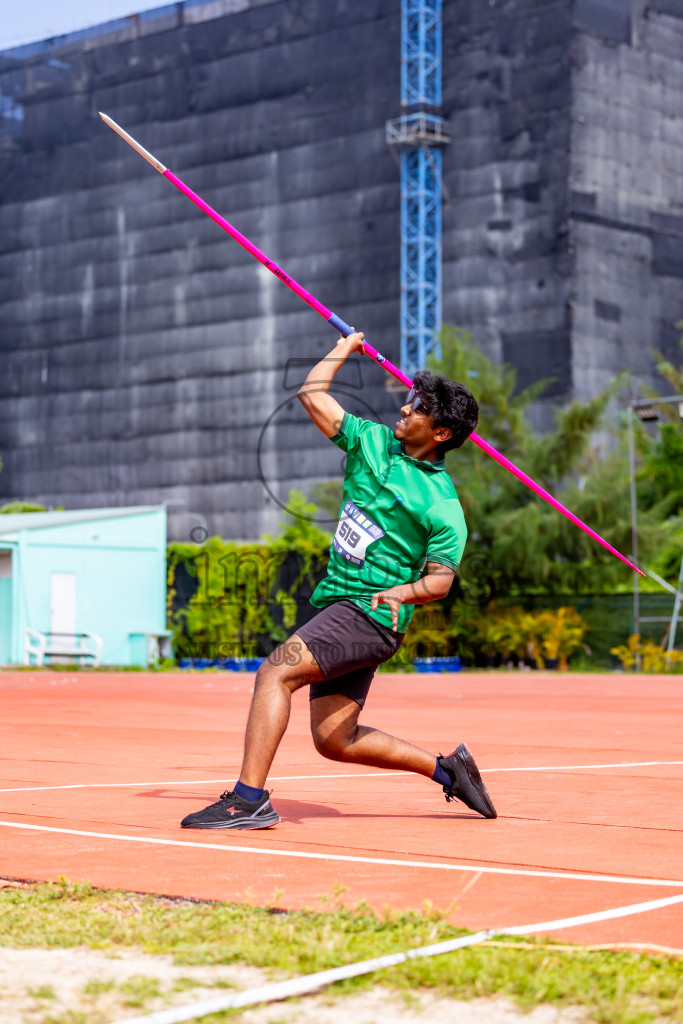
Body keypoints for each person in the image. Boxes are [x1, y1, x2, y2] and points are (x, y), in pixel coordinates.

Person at [181, 331, 496, 830]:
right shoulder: (371, 440)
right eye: (410, 400)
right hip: (341, 607)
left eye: (419, 409)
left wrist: (402, 591)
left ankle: (248, 801)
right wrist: (344, 349)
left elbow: (439, 583)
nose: (406, 410)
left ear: (441, 433)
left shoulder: (442, 506)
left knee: (274, 671)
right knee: (335, 740)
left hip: (372, 616)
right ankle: (447, 771)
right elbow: (312, 395)